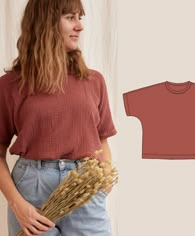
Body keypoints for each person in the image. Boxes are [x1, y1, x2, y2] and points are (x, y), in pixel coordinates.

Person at [0, 0, 117, 235]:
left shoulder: (93, 81)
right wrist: (17, 204)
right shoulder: (10, 86)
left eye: (80, 17)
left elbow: (102, 138)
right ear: (47, 24)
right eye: (70, 17)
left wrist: (102, 184)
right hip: (31, 191)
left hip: (85, 187)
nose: (80, 26)